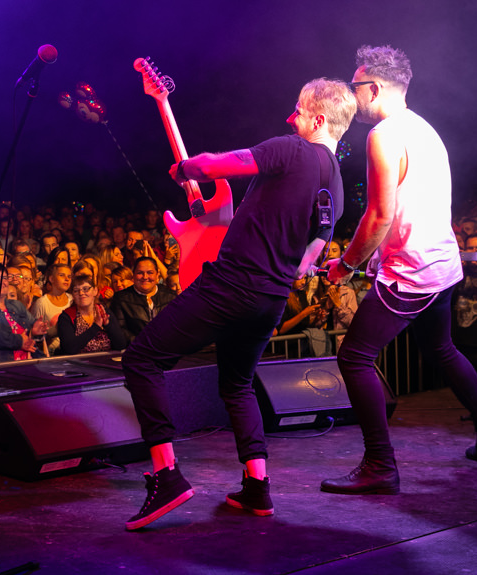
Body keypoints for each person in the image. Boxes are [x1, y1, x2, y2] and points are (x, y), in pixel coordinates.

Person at [121, 77, 355, 530]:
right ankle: (256, 487)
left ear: (319, 119)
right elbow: (314, 250)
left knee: (142, 358)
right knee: (237, 384)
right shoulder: (336, 186)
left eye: (300, 111)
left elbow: (221, 165)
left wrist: (189, 169)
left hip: (232, 285)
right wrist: (294, 266)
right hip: (270, 299)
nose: (292, 118)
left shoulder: (291, 149)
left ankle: (166, 475)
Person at [320, 45, 477, 497]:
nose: (353, 95)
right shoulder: (425, 129)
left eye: (355, 86)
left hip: (412, 272)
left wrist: (345, 266)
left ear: (374, 87)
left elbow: (380, 214)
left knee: (354, 357)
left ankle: (380, 467)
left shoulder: (383, 135)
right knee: (442, 349)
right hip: (441, 264)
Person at [110, 257, 175, 343]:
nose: (145, 277)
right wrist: (143, 342)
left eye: (150, 273)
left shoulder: (171, 296)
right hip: (137, 351)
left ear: (157, 274)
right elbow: (119, 329)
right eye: (140, 273)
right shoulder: (120, 298)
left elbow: (179, 325)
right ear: (133, 275)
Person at [57, 276, 126, 355]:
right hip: (77, 363)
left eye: (86, 289)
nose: (81, 293)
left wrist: (108, 325)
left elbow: (121, 345)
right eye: (76, 291)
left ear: (95, 291)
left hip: (105, 361)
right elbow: (70, 349)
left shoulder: (104, 311)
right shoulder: (66, 316)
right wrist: (96, 326)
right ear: (72, 295)